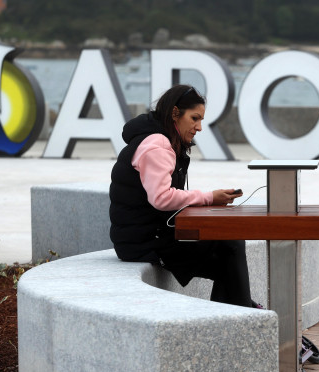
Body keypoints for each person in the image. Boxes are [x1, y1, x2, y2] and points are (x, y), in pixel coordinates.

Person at [109, 84, 258, 308]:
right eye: (194, 118)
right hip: (145, 242)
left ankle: (232, 317)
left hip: (151, 235)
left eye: (201, 120)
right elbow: (160, 198)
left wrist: (211, 198)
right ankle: (243, 314)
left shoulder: (162, 139)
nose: (199, 127)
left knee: (226, 257)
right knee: (231, 245)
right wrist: (209, 197)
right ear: (175, 114)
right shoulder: (157, 145)